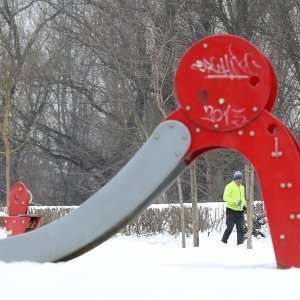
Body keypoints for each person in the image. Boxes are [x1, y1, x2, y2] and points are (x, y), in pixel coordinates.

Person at [221, 171, 247, 245]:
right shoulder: (229, 186)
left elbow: (242, 198)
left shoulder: (242, 187)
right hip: (231, 211)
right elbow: (225, 197)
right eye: (238, 179)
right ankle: (223, 242)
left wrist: (244, 205)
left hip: (240, 212)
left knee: (240, 229)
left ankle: (240, 244)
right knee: (229, 229)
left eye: (241, 179)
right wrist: (234, 202)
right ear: (235, 179)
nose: (240, 181)